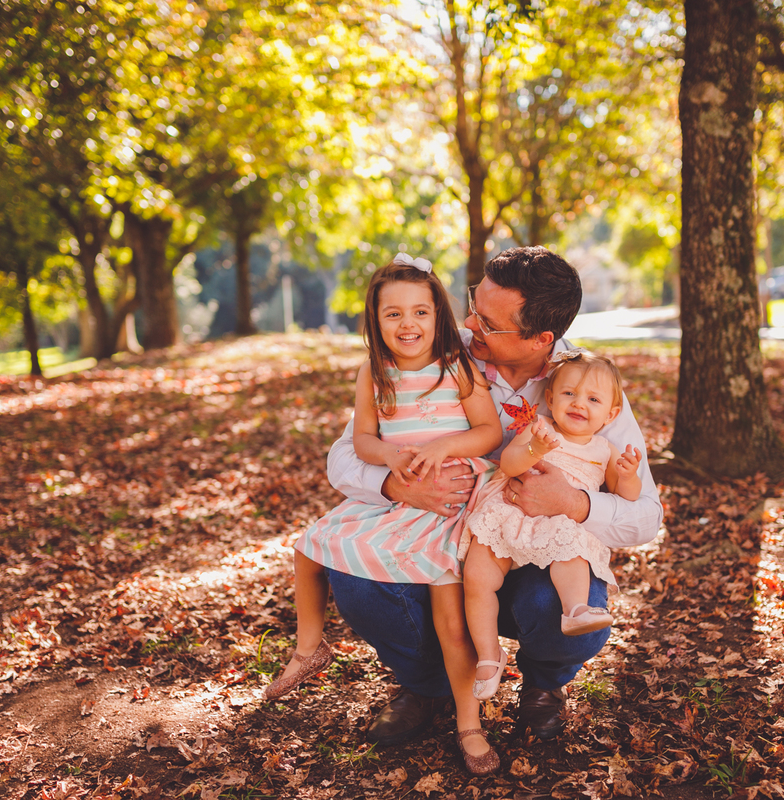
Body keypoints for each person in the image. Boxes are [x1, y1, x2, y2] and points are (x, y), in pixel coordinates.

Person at [326, 245, 662, 749]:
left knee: (573, 608)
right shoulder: (440, 352)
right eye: (472, 305)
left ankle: (543, 685)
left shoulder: (587, 386)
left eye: (487, 322)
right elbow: (342, 457)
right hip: (438, 541)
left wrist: (573, 503)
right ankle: (429, 685)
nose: (467, 324)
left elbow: (645, 518)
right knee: (357, 580)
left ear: (540, 339)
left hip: (533, 554)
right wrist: (397, 484)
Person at [264, 253, 504, 775]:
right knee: (311, 544)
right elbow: (363, 439)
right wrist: (391, 456)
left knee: (451, 622)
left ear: (439, 315)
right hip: (403, 500)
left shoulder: (458, 369)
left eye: (420, 312)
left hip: (448, 509)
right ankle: (309, 647)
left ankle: (470, 723)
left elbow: (489, 433)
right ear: (374, 320)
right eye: (392, 314)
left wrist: (444, 446)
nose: (407, 324)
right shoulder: (373, 374)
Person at [460, 350, 643, 700]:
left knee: (571, 548)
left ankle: (575, 610)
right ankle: (488, 654)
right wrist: (533, 450)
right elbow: (510, 465)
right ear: (550, 398)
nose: (578, 404)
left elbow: (626, 495)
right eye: (569, 394)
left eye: (592, 399)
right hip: (509, 516)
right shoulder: (538, 429)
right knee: (477, 577)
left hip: (556, 524)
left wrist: (628, 475)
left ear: (611, 413)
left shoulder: (603, 450)